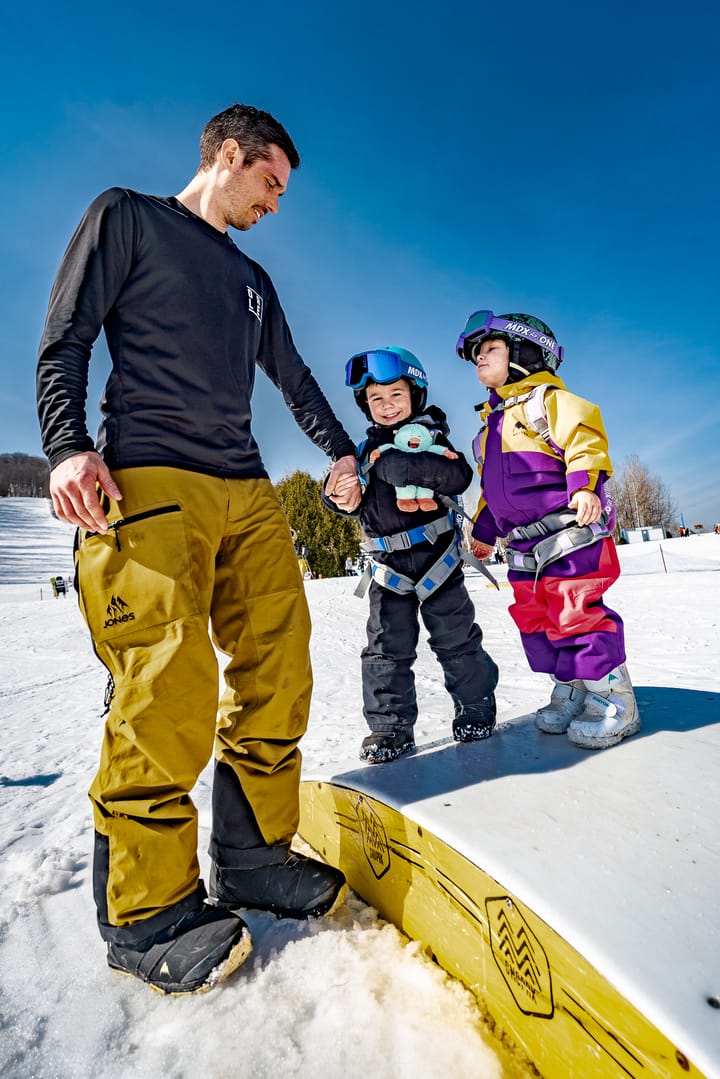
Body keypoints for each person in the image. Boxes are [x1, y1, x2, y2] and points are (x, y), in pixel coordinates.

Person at [36, 104, 361, 995]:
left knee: (280, 662)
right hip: (147, 476)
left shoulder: (254, 279)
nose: (278, 203)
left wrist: (339, 451)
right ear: (229, 155)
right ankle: (144, 912)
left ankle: (252, 856)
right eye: (271, 182)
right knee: (167, 677)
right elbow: (67, 333)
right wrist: (66, 443)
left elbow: (292, 377)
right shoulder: (129, 217)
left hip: (247, 488)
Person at [456, 310, 640, 750]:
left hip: (569, 538)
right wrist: (483, 529)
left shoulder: (549, 403)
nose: (480, 358)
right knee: (538, 622)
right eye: (477, 353)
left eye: (490, 350)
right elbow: (491, 491)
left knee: (577, 615)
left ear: (524, 353)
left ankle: (615, 699)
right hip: (523, 549)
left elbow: (585, 439)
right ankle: (575, 687)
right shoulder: (489, 429)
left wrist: (585, 486)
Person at [324, 347, 498, 763]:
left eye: (396, 396)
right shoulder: (364, 453)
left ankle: (475, 708)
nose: (387, 407)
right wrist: (336, 495)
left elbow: (458, 476)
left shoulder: (433, 439)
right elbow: (341, 490)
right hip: (388, 572)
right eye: (376, 399)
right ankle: (390, 730)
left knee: (457, 640)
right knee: (386, 650)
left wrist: (405, 466)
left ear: (415, 395)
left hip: (439, 562)